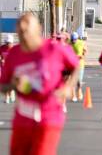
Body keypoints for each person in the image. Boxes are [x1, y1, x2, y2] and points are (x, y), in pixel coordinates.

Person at [0, 13, 79, 155]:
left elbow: (75, 66)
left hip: (49, 116)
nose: (23, 37)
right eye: (20, 32)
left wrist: (68, 87)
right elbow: (3, 86)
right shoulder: (14, 54)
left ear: (38, 30)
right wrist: (13, 84)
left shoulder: (54, 49)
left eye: (26, 32)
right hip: (23, 117)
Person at [70, 32, 87, 102]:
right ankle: (73, 95)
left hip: (80, 64)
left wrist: (83, 55)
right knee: (72, 81)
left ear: (77, 39)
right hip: (71, 65)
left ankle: (79, 90)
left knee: (79, 81)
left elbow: (85, 51)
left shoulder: (81, 43)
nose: (73, 41)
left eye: (74, 40)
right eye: (72, 40)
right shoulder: (68, 43)